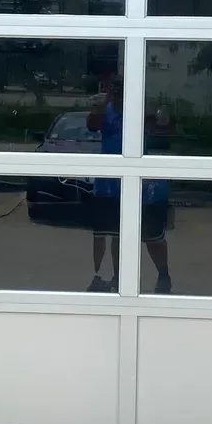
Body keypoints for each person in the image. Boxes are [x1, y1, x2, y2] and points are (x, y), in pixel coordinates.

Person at [85, 74, 174, 293]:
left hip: (141, 187)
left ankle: (164, 275)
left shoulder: (140, 111)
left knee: (152, 235)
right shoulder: (104, 110)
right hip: (109, 185)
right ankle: (118, 278)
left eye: (122, 88)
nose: (118, 92)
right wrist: (106, 100)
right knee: (115, 234)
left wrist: (151, 112)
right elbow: (92, 125)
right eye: (115, 88)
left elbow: (164, 128)